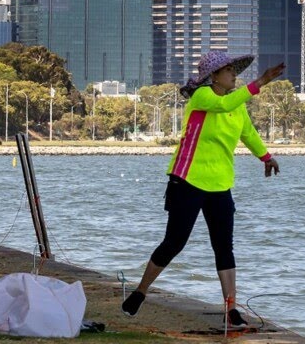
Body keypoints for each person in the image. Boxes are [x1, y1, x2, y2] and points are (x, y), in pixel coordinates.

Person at [121, 50, 285, 330]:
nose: (234, 75)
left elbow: (248, 133)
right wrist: (261, 82)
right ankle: (140, 291)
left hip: (220, 184)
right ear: (214, 77)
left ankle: (231, 310)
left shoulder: (238, 104)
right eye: (229, 71)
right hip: (187, 179)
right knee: (174, 242)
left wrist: (266, 157)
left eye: (235, 70)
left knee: (224, 247)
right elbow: (225, 104)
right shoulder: (202, 97)